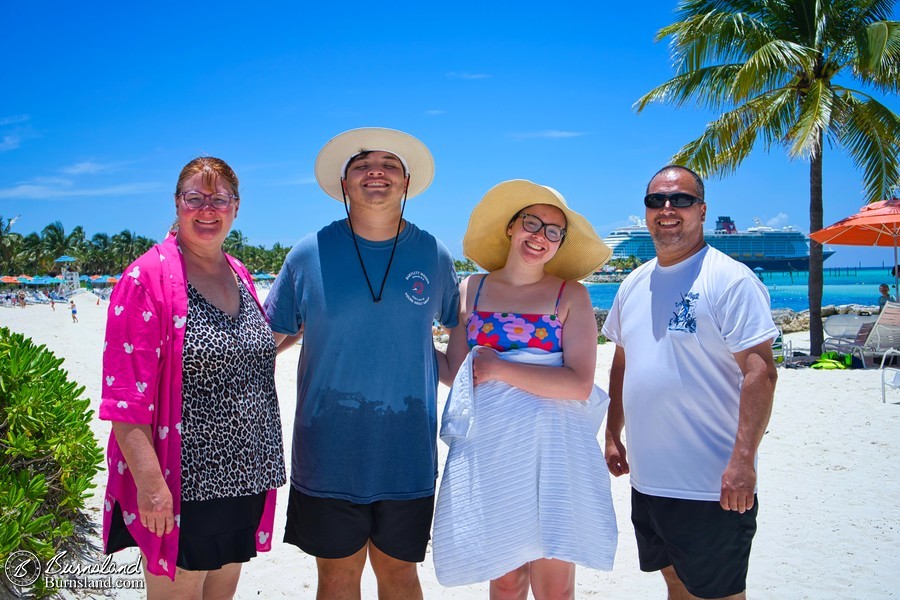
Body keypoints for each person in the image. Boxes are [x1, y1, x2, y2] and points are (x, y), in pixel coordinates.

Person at [264, 128, 459, 599]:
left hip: (407, 454)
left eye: (390, 165)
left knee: (399, 576)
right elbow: (270, 337)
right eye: (362, 165)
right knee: (336, 578)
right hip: (327, 452)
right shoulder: (307, 254)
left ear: (407, 183)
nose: (377, 172)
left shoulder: (433, 255)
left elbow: (458, 353)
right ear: (345, 184)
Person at [99, 157, 286, 598]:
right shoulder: (146, 278)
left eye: (219, 199)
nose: (207, 209)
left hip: (247, 473)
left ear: (236, 208)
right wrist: (152, 489)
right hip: (184, 481)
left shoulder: (239, 274)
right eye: (194, 198)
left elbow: (240, 352)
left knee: (222, 590)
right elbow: (125, 401)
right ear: (177, 204)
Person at [432, 180, 618, 599]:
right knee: (505, 577)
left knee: (554, 581)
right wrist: (402, 336)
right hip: (491, 448)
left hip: (555, 448)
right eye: (533, 223)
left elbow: (578, 384)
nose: (541, 236)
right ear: (511, 228)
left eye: (554, 231)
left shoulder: (571, 295)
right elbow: (458, 372)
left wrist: (500, 368)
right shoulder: (471, 288)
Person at [602, 165, 779, 600]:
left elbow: (761, 372)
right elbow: (623, 363)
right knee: (675, 583)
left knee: (718, 594)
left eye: (680, 200)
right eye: (656, 201)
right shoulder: (633, 282)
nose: (667, 209)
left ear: (701, 210)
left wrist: (743, 461)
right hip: (649, 480)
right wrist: (611, 431)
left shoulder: (730, 279)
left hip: (711, 484)